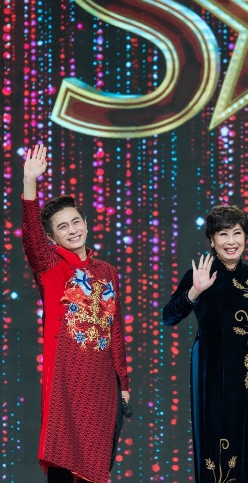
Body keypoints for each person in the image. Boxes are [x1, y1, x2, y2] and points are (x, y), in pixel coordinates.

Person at [21, 144, 131, 483]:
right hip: (67, 383)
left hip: (102, 386)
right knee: (63, 462)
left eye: (75, 222)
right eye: (62, 227)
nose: (72, 230)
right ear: (52, 237)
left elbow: (114, 329)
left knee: (96, 469)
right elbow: (31, 239)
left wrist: (123, 383)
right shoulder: (50, 266)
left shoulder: (107, 271)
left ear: (85, 223)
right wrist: (29, 183)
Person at [163, 205, 248, 482]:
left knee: (244, 439)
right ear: (212, 240)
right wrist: (195, 291)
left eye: (237, 233)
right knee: (211, 437)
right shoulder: (200, 274)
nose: (231, 241)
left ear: (246, 237)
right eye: (223, 234)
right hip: (209, 369)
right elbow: (169, 317)